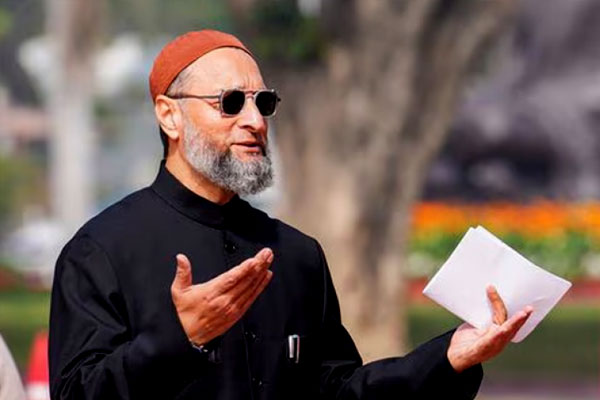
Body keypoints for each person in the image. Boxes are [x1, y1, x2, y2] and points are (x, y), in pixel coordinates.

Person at [48, 30, 532, 400]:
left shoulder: (295, 254)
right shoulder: (102, 251)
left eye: (263, 103)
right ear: (169, 116)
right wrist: (178, 340)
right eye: (230, 103)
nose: (254, 121)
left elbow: (340, 393)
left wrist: (448, 359)